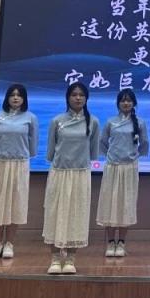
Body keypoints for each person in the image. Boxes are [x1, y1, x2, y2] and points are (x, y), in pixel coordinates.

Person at [42, 81, 100, 275]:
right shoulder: (57, 121)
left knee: (77, 215)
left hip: (80, 174)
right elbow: (50, 153)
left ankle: (71, 259)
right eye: (74, 94)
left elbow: (93, 153)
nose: (78, 98)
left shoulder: (93, 122)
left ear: (86, 98)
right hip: (59, 173)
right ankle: (55, 258)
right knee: (55, 214)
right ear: (67, 98)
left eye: (81, 95)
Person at [0, 83, 37, 259]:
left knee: (15, 204)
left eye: (19, 95)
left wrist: (25, 156)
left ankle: (9, 243)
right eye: (12, 94)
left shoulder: (30, 118)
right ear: (7, 98)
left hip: (19, 164)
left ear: (24, 99)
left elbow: (33, 145)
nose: (16, 98)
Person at [97, 88, 149, 258]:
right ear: (118, 103)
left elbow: (144, 144)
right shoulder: (110, 122)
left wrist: (133, 156)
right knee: (110, 204)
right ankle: (110, 242)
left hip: (129, 168)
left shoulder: (140, 123)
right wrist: (112, 155)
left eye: (129, 100)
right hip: (112, 167)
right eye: (123, 100)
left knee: (126, 204)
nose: (126, 103)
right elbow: (102, 142)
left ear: (134, 103)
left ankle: (122, 243)